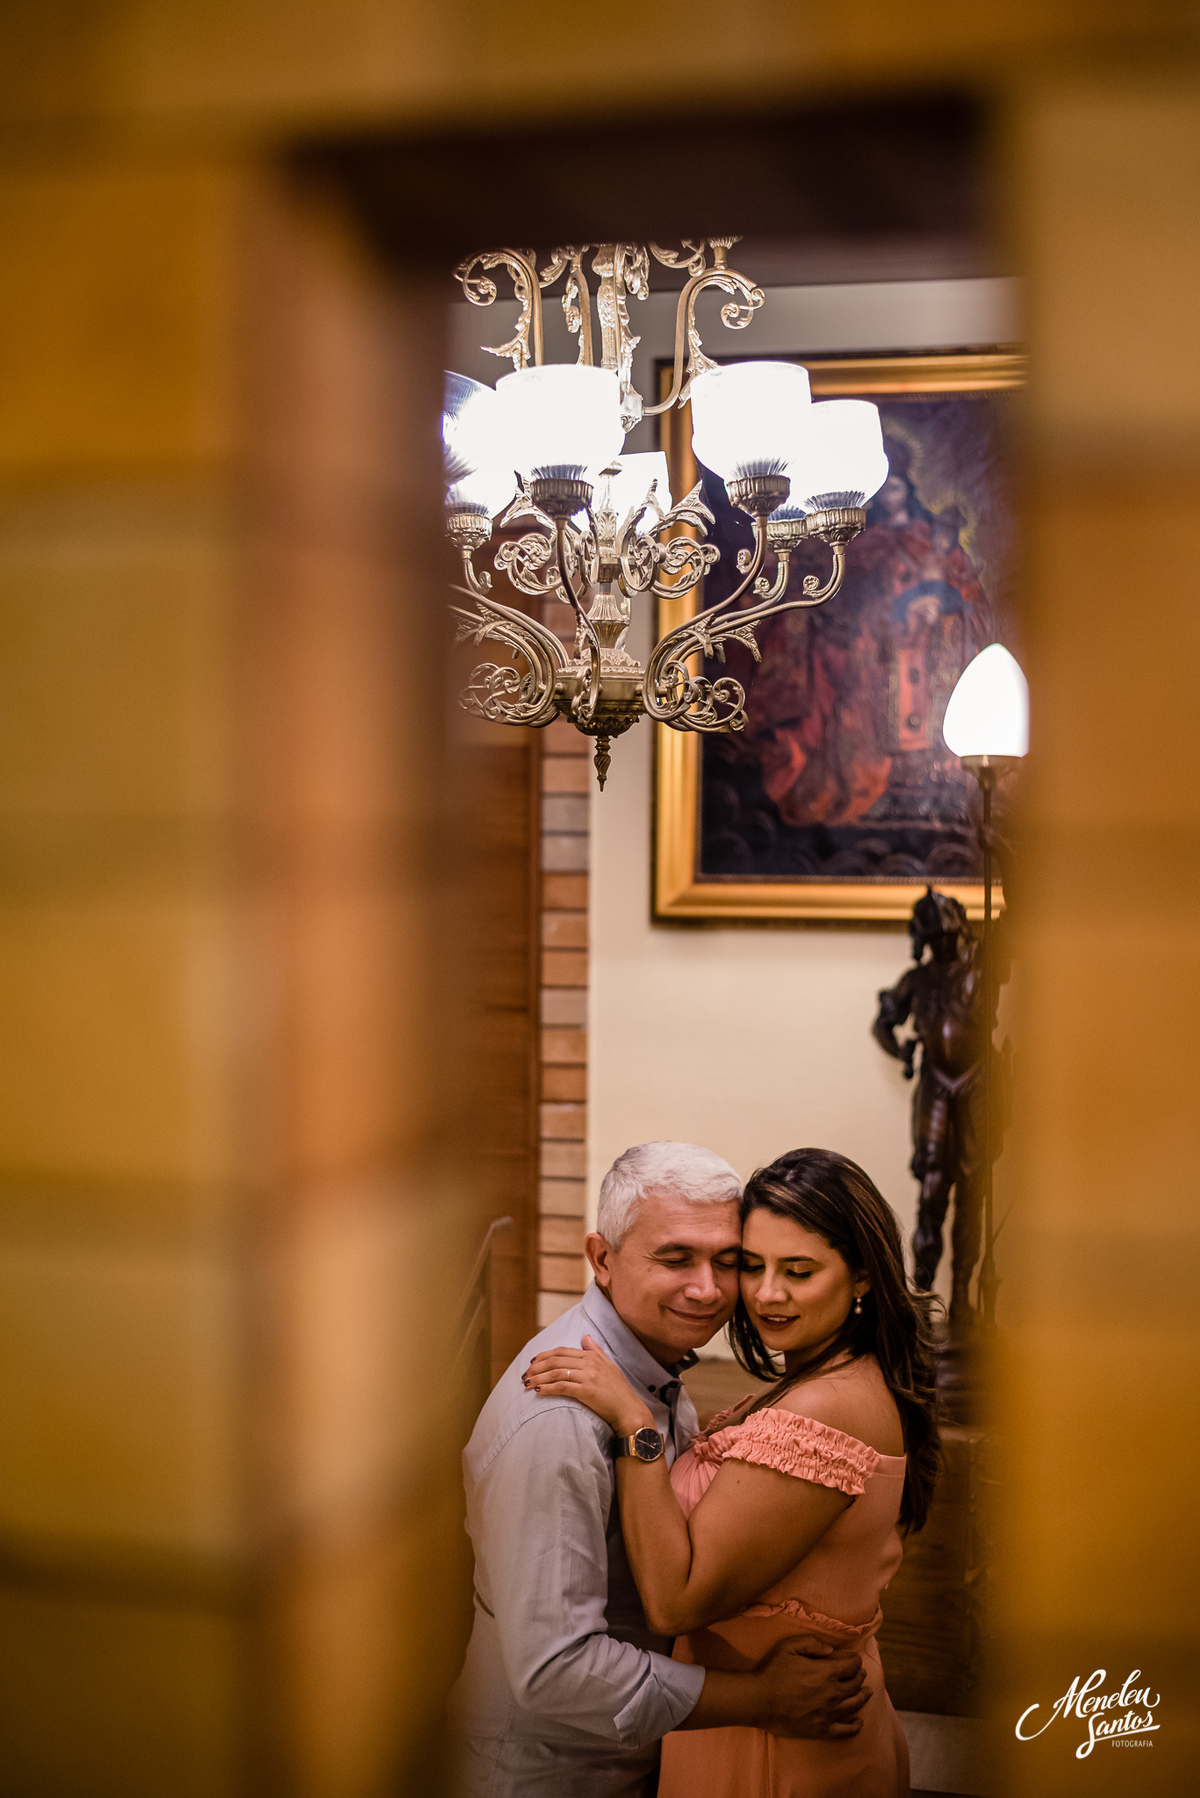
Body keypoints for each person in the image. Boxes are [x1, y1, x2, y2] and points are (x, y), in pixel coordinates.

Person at [452, 1141, 873, 1797]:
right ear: (602, 1259)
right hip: (546, 1775)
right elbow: (554, 1669)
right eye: (675, 1259)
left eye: (727, 1261)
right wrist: (761, 1698)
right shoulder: (561, 1419)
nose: (708, 1289)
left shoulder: (646, 1370)